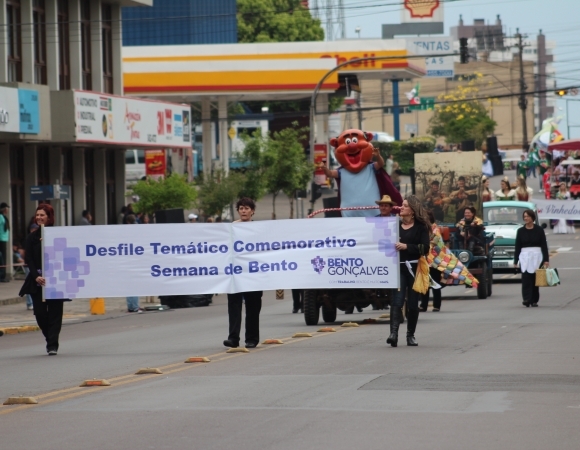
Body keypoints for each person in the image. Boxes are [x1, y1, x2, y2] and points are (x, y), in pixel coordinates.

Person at [19, 204, 68, 355]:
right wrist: (36, 276)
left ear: (49, 217)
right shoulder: (32, 237)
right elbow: (29, 259)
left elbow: (63, 256)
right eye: (37, 215)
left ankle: (52, 345)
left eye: (42, 215)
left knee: (55, 313)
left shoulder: (58, 235)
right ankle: (50, 338)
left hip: (55, 280)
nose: (39, 217)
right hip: (37, 280)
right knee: (40, 313)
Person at [387, 195, 430, 348]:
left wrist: (407, 247)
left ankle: (410, 335)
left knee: (412, 304)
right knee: (397, 301)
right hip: (398, 267)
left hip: (414, 268)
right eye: (402, 205)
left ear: (412, 210)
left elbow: (425, 248)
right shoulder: (394, 226)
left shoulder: (421, 227)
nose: (401, 207)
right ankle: (393, 334)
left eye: (405, 206)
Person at [224, 198, 263, 349]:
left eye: (247, 208)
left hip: (253, 274)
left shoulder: (259, 228)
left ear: (252, 211)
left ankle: (251, 339)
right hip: (235, 274)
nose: (244, 211)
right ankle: (233, 338)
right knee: (234, 305)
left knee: (253, 307)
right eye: (241, 208)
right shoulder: (232, 228)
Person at [514, 209, 549, 307]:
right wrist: (515, 260)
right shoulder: (520, 231)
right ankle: (526, 299)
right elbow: (518, 246)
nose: (526, 218)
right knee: (526, 278)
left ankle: (534, 300)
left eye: (527, 216)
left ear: (532, 217)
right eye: (524, 217)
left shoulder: (539, 230)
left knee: (535, 278)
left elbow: (544, 245)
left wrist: (546, 259)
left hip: (537, 256)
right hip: (525, 257)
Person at [420, 211, 443, 312]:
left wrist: (425, 244)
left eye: (426, 218)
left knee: (435, 283)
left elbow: (435, 242)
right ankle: (423, 305)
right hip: (424, 260)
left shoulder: (435, 229)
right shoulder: (423, 228)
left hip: (434, 261)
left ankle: (436, 305)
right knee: (425, 283)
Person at [124, 214, 142, 313]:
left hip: (127, 260)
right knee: (134, 284)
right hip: (135, 260)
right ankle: (135, 306)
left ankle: (131, 306)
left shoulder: (125, 231)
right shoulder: (138, 230)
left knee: (128, 284)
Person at [0, 202, 9, 282]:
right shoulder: (0, 217)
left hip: (3, 239)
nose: (8, 210)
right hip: (1, 240)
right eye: (7, 208)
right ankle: (1, 276)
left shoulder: (3, 217)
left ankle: (3, 275)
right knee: (2, 258)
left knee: (3, 258)